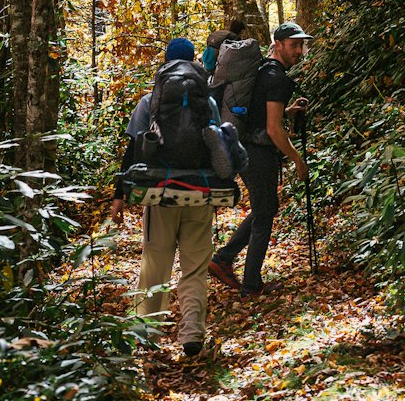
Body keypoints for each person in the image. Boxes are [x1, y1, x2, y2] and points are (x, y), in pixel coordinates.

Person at [110, 38, 217, 358]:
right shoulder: (207, 101)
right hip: (199, 193)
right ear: (193, 63)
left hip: (160, 194)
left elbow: (132, 152)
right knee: (195, 268)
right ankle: (191, 333)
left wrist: (119, 195)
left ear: (166, 64)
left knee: (156, 264)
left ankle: (146, 334)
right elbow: (218, 146)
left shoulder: (150, 101)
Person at [208, 21, 311, 297]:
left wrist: (288, 110)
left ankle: (224, 259)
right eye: (294, 45)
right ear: (278, 45)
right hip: (257, 151)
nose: (299, 50)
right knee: (265, 211)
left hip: (247, 146)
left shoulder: (266, 70)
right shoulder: (276, 77)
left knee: (264, 209)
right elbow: (273, 129)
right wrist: (298, 159)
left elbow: (264, 115)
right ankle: (250, 283)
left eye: (301, 45)